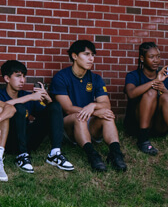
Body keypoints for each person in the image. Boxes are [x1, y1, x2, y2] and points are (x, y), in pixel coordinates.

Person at [51, 40, 126, 172]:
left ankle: (116, 154)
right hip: (69, 126)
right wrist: (95, 111)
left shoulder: (95, 78)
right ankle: (92, 155)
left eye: (93, 55)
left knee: (107, 115)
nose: (91, 59)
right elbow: (67, 108)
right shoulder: (61, 77)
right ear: (74, 56)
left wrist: (92, 105)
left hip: (90, 124)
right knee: (79, 117)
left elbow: (106, 105)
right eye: (86, 54)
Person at [0, 60, 74, 174]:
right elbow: (5, 105)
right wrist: (30, 97)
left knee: (54, 105)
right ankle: (22, 156)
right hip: (8, 141)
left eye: (24, 76)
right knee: (19, 108)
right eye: (18, 76)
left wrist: (48, 99)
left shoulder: (26, 95)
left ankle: (55, 153)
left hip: (28, 140)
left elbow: (47, 116)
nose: (22, 80)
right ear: (7, 78)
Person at [124, 42, 168, 161]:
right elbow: (131, 93)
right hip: (137, 125)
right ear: (142, 58)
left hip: (158, 126)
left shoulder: (165, 76)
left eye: (158, 56)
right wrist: (155, 82)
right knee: (150, 93)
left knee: (166, 96)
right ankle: (143, 140)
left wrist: (165, 89)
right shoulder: (133, 75)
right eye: (151, 57)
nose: (156, 60)